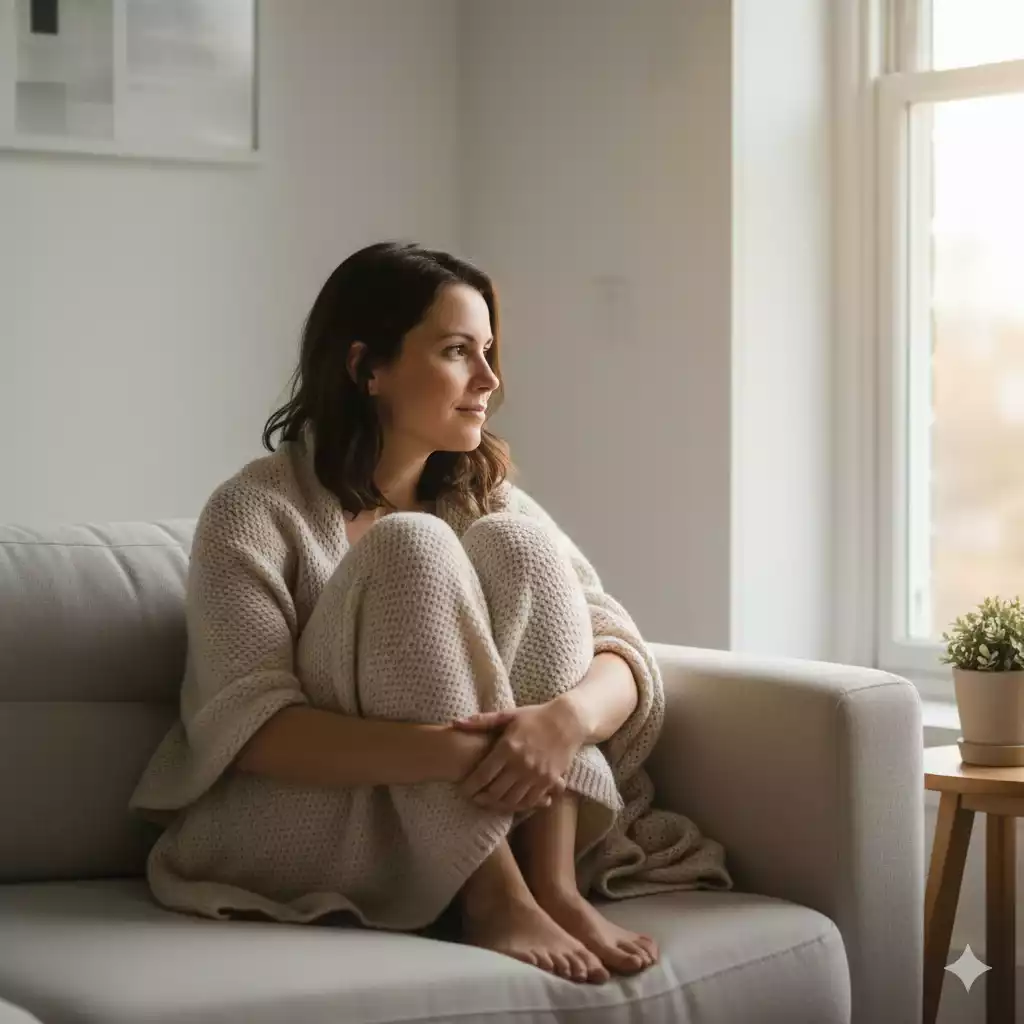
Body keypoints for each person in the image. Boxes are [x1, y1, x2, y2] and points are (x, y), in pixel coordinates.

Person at [130, 242, 730, 985]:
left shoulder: (487, 496)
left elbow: (619, 653)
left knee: (514, 541)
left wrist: (559, 725)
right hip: (318, 817)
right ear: (366, 369)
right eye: (456, 352)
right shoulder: (252, 511)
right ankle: (492, 898)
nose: (489, 380)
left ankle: (551, 887)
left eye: (487, 351)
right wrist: (478, 754)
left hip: (519, 809)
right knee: (412, 544)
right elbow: (253, 730)